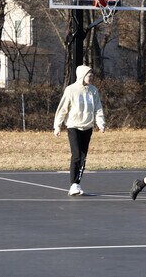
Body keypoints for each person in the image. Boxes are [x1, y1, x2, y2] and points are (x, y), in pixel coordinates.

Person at [53, 65, 105, 196]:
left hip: (87, 127)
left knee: (83, 156)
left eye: (92, 75)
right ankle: (73, 184)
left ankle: (77, 183)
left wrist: (100, 123)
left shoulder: (93, 90)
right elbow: (63, 108)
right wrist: (57, 125)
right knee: (76, 155)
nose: (91, 77)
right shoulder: (71, 90)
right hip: (73, 126)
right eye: (89, 75)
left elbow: (98, 108)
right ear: (82, 76)